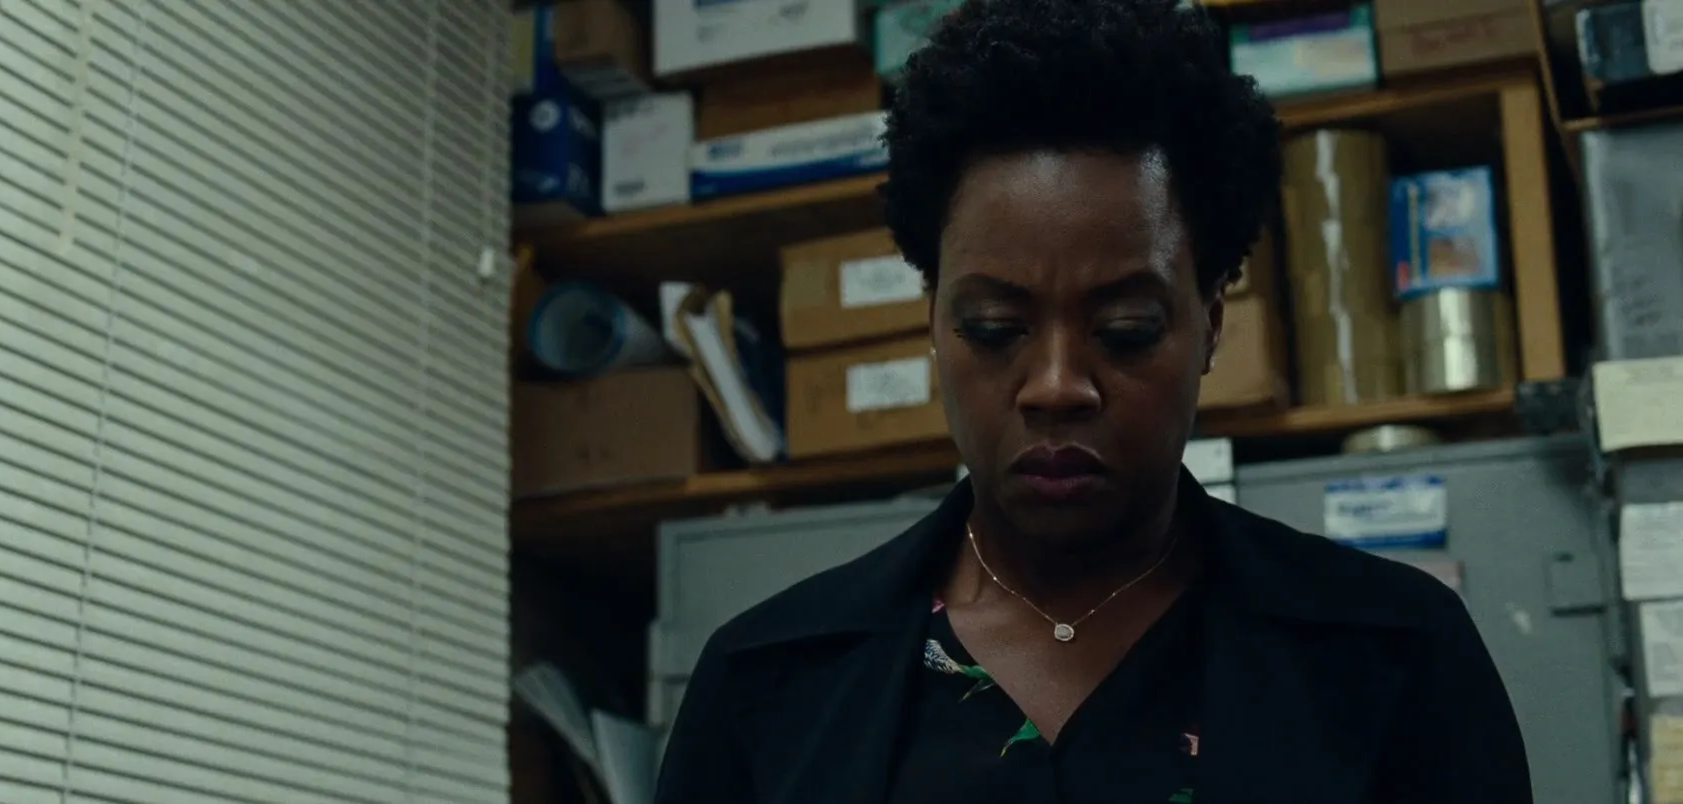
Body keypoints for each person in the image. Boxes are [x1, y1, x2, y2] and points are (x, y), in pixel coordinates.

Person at [653, 1, 1532, 801]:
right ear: (934, 324)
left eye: (1125, 330)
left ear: (1209, 325)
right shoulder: (763, 686)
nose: (1056, 386)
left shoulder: (1396, 655)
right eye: (995, 329)